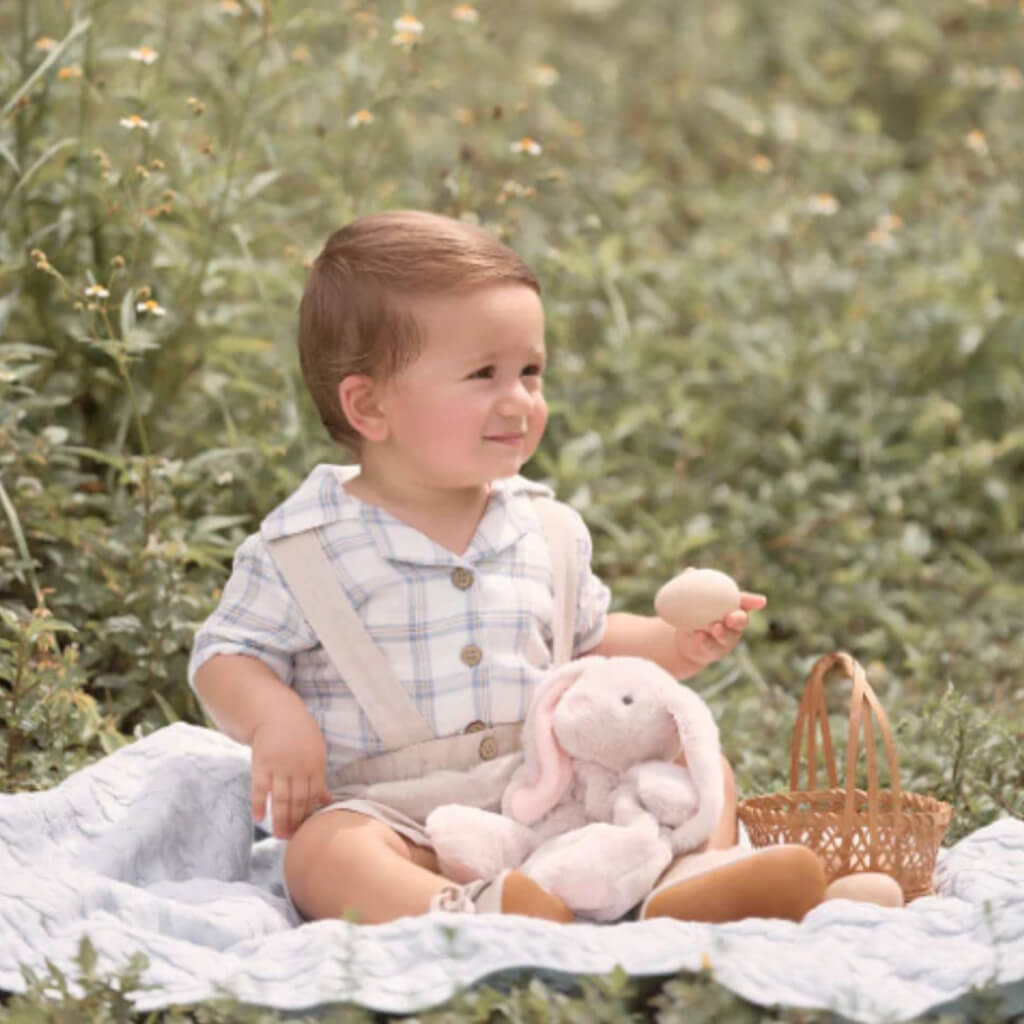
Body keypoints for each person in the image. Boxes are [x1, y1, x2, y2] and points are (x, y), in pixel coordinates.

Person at [189, 209, 826, 926]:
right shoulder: (306, 547)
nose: (520, 400)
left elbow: (583, 643)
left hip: (553, 787)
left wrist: (673, 645)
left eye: (531, 371)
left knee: (688, 767)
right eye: (484, 374)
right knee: (323, 854)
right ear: (369, 405)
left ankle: (691, 881)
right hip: (401, 816)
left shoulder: (546, 528)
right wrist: (277, 719)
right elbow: (226, 653)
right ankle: (468, 911)